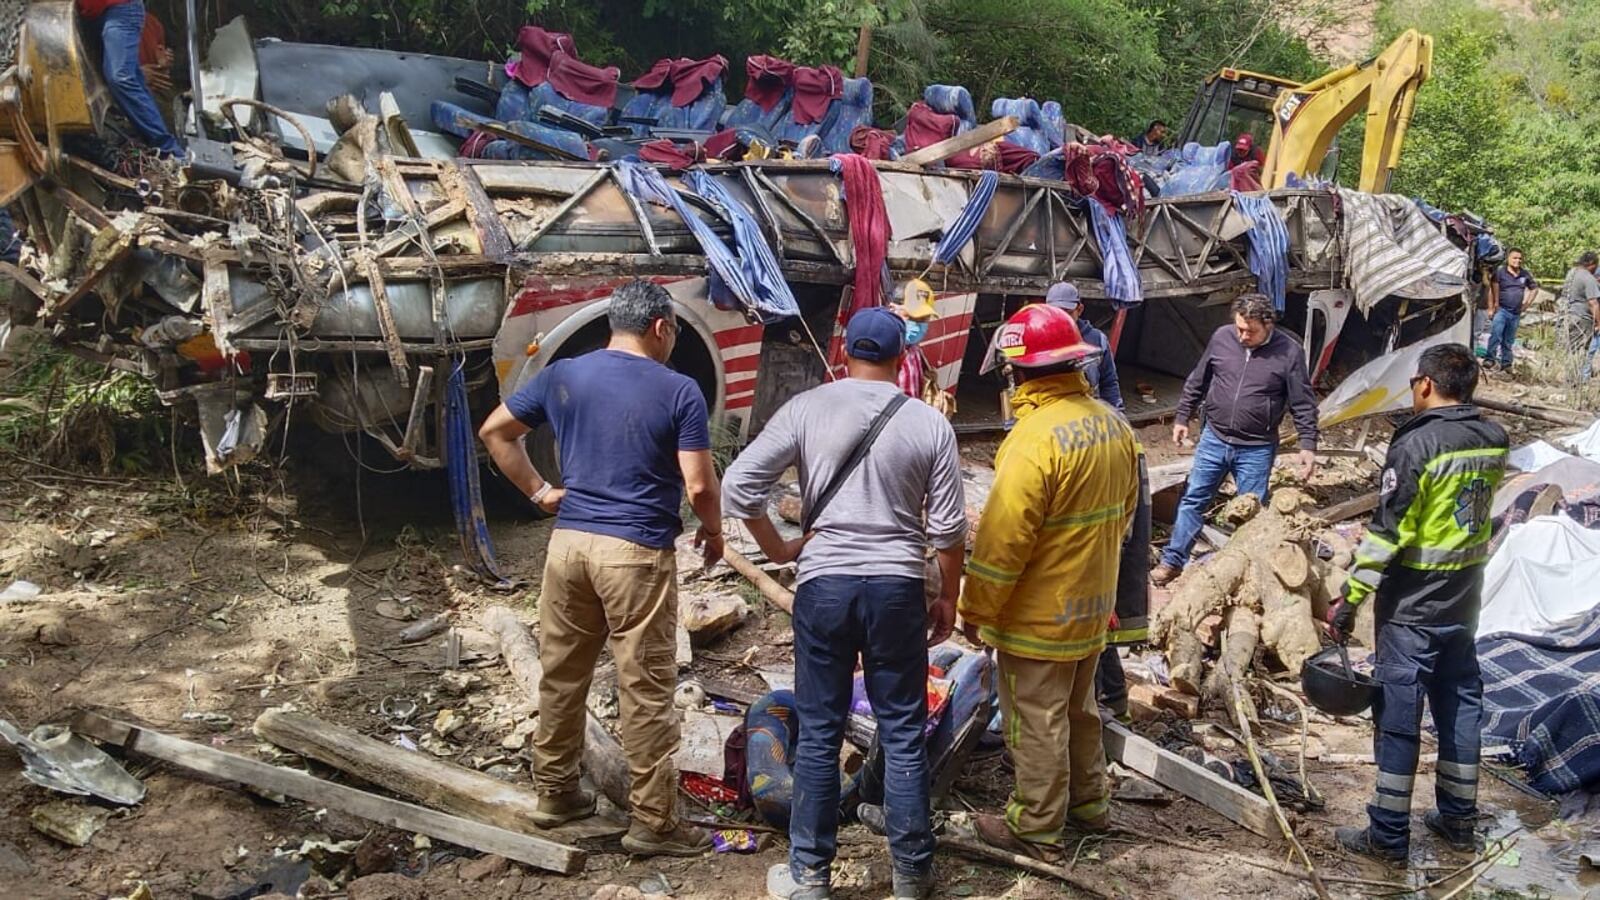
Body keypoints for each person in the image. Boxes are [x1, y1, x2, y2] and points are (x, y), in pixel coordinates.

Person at [722, 306, 967, 900]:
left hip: (824, 586)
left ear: (844, 356)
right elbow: (950, 532)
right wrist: (948, 599)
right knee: (904, 729)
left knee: (821, 727)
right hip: (896, 587)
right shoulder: (929, 423)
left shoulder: (807, 408)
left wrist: (779, 546)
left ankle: (809, 877)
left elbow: (738, 487)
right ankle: (911, 875)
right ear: (902, 359)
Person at [477, 279, 723, 858]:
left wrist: (540, 492)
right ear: (661, 328)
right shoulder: (680, 389)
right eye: (674, 333)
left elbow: (495, 431)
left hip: (568, 547)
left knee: (562, 674)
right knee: (646, 685)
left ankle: (556, 792)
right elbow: (698, 483)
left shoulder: (564, 374)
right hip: (634, 552)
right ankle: (654, 822)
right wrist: (712, 531)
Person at [959, 304, 1140, 859]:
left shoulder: (1034, 439)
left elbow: (1001, 543)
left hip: (1039, 617)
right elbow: (1128, 517)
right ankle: (1091, 806)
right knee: (1081, 711)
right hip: (1091, 609)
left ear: (1018, 371)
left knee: (1036, 721)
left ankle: (1036, 826)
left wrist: (977, 609)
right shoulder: (1114, 424)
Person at [1326, 343, 1508, 862]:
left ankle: (1386, 836)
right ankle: (1458, 820)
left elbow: (1387, 533)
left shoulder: (1416, 447)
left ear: (1425, 384)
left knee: (1399, 717)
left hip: (1412, 607)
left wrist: (1351, 599)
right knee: (1459, 708)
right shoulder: (1494, 438)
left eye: (1412, 384)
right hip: (1464, 601)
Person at [1152, 293, 1319, 586]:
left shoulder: (1289, 352)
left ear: (1269, 324)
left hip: (1257, 448)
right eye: (1239, 328)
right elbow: (1198, 379)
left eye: (1250, 331)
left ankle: (1245, 578)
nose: (1242, 336)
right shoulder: (1222, 338)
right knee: (1193, 501)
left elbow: (1303, 402)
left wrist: (1308, 444)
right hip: (1214, 438)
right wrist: (1182, 418)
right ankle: (1172, 562)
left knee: (1251, 513)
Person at [1044, 283, 1149, 719]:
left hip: (1089, 547)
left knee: (1093, 617)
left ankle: (1106, 698)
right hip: (1095, 542)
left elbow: (1111, 390)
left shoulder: (1096, 344)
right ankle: (1105, 698)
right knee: (1094, 614)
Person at [76, 1, 184, 158]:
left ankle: (169, 150)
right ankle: (162, 149)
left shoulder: (152, 24)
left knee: (120, 77)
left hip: (119, 7)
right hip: (89, 14)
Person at [1484, 248, 1537, 374]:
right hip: (1501, 310)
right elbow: (1492, 290)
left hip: (1515, 313)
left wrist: (1527, 304)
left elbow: (1534, 288)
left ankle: (1506, 364)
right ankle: (1489, 359)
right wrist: (1492, 308)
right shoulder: (1500, 273)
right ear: (1508, 258)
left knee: (1508, 340)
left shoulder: (1525, 274)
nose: (1517, 261)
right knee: (1496, 335)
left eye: (1520, 258)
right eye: (1515, 258)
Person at [1557, 251, 1600, 377]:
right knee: (1580, 351)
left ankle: (1570, 377)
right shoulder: (1588, 278)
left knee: (1571, 348)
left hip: (1568, 315)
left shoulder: (1572, 273)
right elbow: (1593, 303)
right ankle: (1574, 380)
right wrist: (1599, 322)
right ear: (1592, 264)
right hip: (1582, 319)